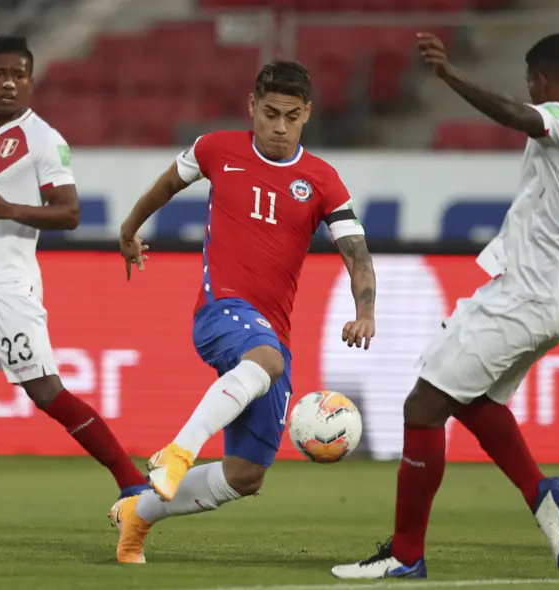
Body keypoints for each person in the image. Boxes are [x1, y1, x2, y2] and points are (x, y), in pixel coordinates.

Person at [332, 32, 559, 579]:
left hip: (524, 292)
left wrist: (449, 77)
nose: (529, 91)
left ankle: (406, 555)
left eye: (530, 82)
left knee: (422, 407)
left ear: (543, 79)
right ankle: (540, 492)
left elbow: (519, 117)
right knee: (470, 398)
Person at [112, 61, 378, 564]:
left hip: (271, 333)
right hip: (220, 309)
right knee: (268, 359)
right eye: (270, 113)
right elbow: (167, 185)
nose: (279, 127)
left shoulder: (322, 180)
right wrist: (129, 229)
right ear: (252, 107)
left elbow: (358, 254)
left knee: (245, 475)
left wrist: (366, 310)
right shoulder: (217, 149)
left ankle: (138, 515)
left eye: (291, 117)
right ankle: (179, 450)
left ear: (307, 116)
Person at [0, 36, 151, 533]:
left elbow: (70, 212)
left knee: (45, 392)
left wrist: (10, 209)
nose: (8, 83)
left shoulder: (44, 140)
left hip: (7, 288)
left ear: (31, 82)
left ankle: (130, 479)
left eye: (19, 74)